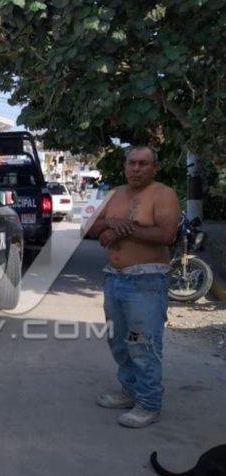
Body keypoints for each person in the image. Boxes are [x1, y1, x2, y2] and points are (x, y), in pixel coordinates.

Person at [85, 146, 180, 428]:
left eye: (143, 163)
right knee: (119, 342)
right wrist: (110, 222)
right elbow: (89, 226)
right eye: (132, 163)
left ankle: (149, 404)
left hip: (146, 282)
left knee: (142, 344)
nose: (136, 168)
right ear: (125, 166)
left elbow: (165, 234)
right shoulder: (115, 194)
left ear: (154, 168)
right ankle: (130, 391)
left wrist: (119, 229)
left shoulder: (163, 194)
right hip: (115, 279)